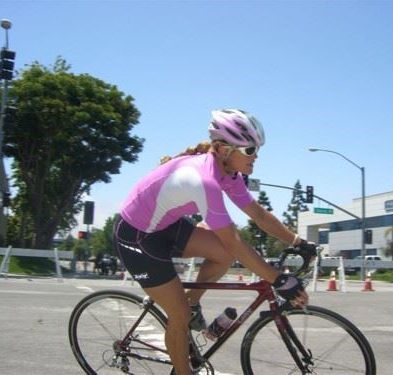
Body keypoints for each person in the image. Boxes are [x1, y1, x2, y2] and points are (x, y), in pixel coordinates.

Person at [113, 109, 315, 375]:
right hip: (136, 236)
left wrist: (298, 241)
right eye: (250, 150)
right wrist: (278, 279)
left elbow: (258, 214)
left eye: (257, 150)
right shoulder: (204, 180)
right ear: (222, 148)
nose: (256, 157)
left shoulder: (230, 173)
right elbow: (234, 241)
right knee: (180, 316)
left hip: (165, 226)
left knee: (221, 255)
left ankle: (192, 303)